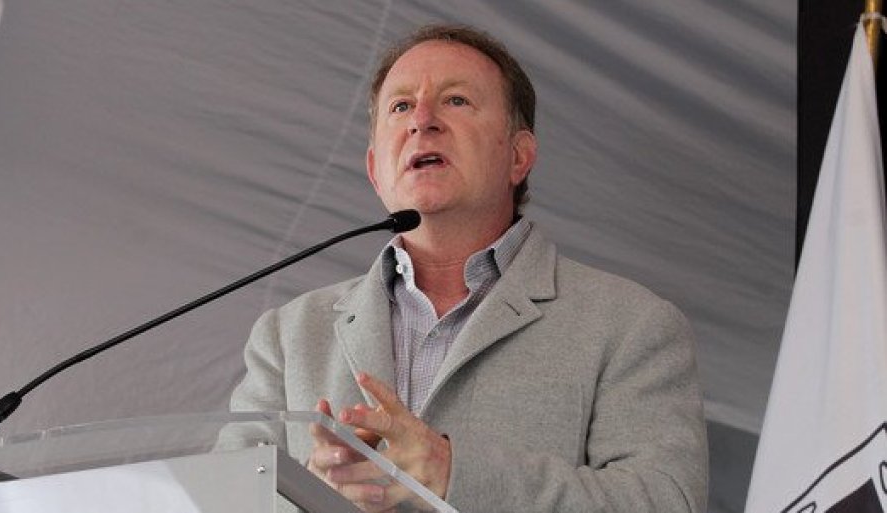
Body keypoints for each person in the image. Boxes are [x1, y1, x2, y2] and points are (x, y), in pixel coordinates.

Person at [230, 24, 708, 513]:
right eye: (401, 106)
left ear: (518, 156)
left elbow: (666, 502)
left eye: (455, 100)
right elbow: (217, 499)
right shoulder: (287, 337)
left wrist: (452, 473)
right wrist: (304, 498)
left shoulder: (632, 326)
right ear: (375, 170)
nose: (422, 121)